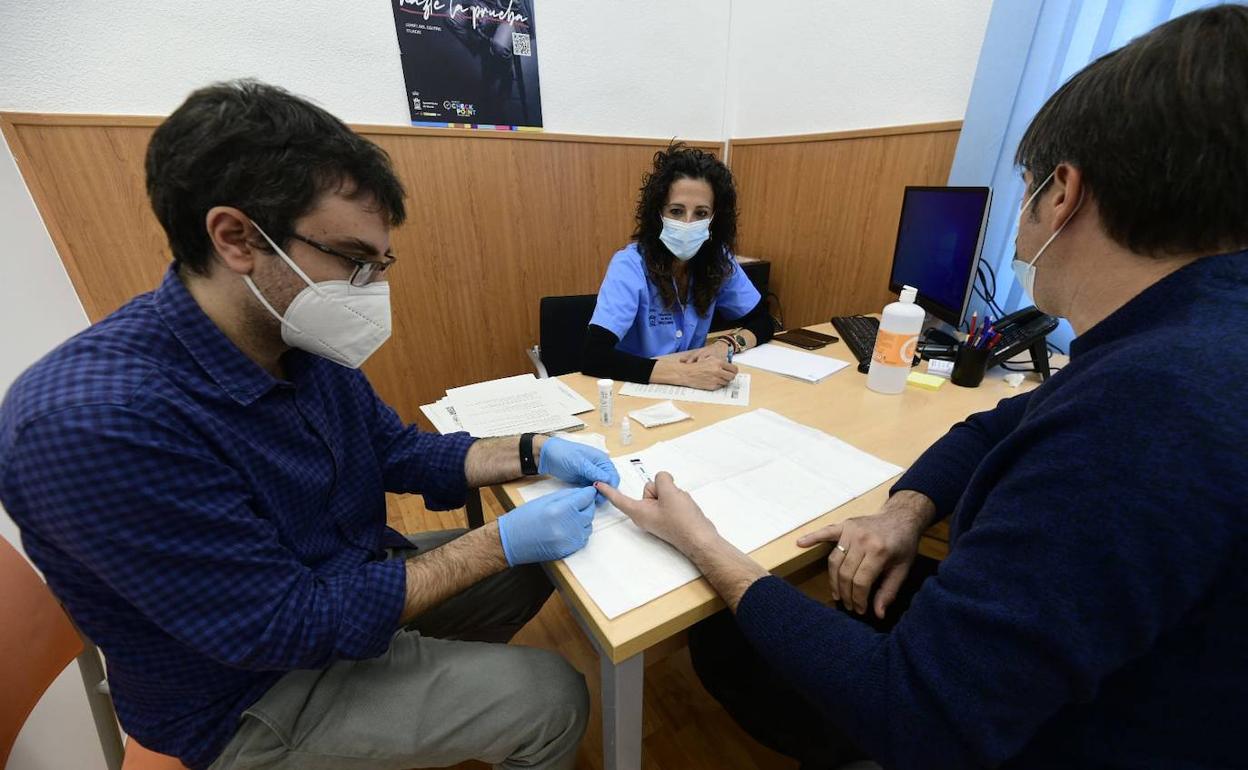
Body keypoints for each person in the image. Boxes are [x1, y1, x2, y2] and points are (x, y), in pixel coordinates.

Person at [596, 6, 1248, 769]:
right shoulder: (1172, 348)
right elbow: (992, 427)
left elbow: (919, 716)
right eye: (678, 212)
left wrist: (703, 536)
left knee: (722, 636)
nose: (689, 222)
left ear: (1061, 193)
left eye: (1025, 191)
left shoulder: (1149, 404)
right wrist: (908, 508)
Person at [0, 80, 621, 770]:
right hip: (242, 695)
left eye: (380, 264)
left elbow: (396, 451)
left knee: (546, 568)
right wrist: (494, 543)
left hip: (335, 582)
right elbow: (283, 625)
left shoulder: (293, 336)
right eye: (354, 262)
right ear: (237, 237)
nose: (371, 290)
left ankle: (417, 699)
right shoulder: (96, 426)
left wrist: (533, 449)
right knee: (550, 696)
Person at [582, 142, 774, 389]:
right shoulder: (629, 265)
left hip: (695, 393)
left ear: (715, 219)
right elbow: (594, 356)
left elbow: (763, 321)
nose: (687, 222)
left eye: (701, 213)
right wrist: (684, 375)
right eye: (676, 211)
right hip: (632, 389)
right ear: (657, 213)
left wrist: (724, 345)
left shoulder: (719, 261)